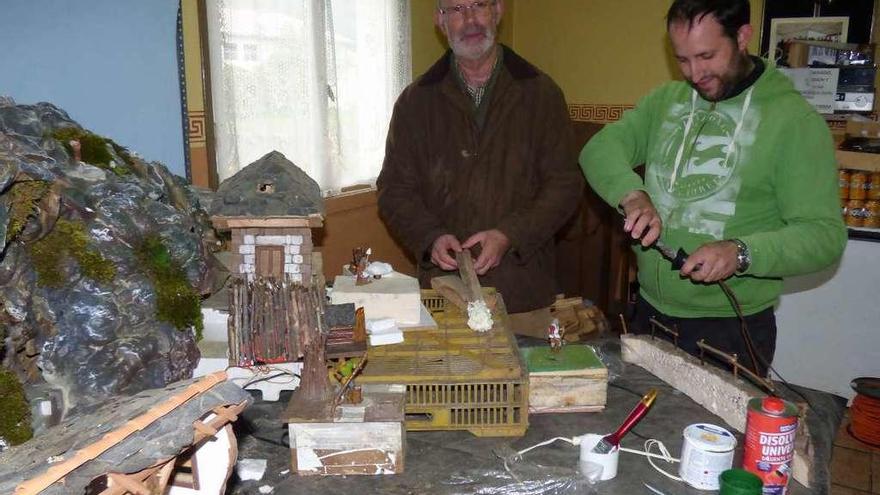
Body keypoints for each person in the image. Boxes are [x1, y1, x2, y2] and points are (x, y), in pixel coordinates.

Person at [579, 0, 846, 376]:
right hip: (650, 314)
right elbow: (599, 149)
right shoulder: (666, 102)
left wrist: (740, 253)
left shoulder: (794, 121)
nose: (694, 73)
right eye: (682, 59)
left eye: (706, 56)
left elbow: (824, 236)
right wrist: (632, 194)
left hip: (728, 330)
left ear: (742, 37)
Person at [377, 0, 583, 335]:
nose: (470, 19)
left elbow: (564, 185)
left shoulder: (541, 94)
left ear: (498, 10)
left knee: (521, 384)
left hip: (523, 295)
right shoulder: (415, 102)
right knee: (449, 385)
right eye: (456, 9)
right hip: (444, 295)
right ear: (440, 20)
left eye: (479, 4)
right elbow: (394, 190)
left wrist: (510, 235)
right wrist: (430, 238)